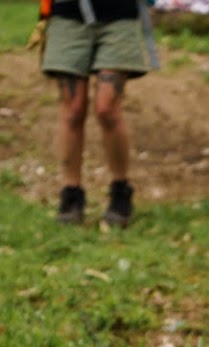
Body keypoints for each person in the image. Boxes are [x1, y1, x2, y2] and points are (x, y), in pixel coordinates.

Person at [40, 0, 155, 228]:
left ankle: (120, 191)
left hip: (119, 16)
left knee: (107, 109)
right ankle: (71, 194)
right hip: (68, 16)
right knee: (73, 110)